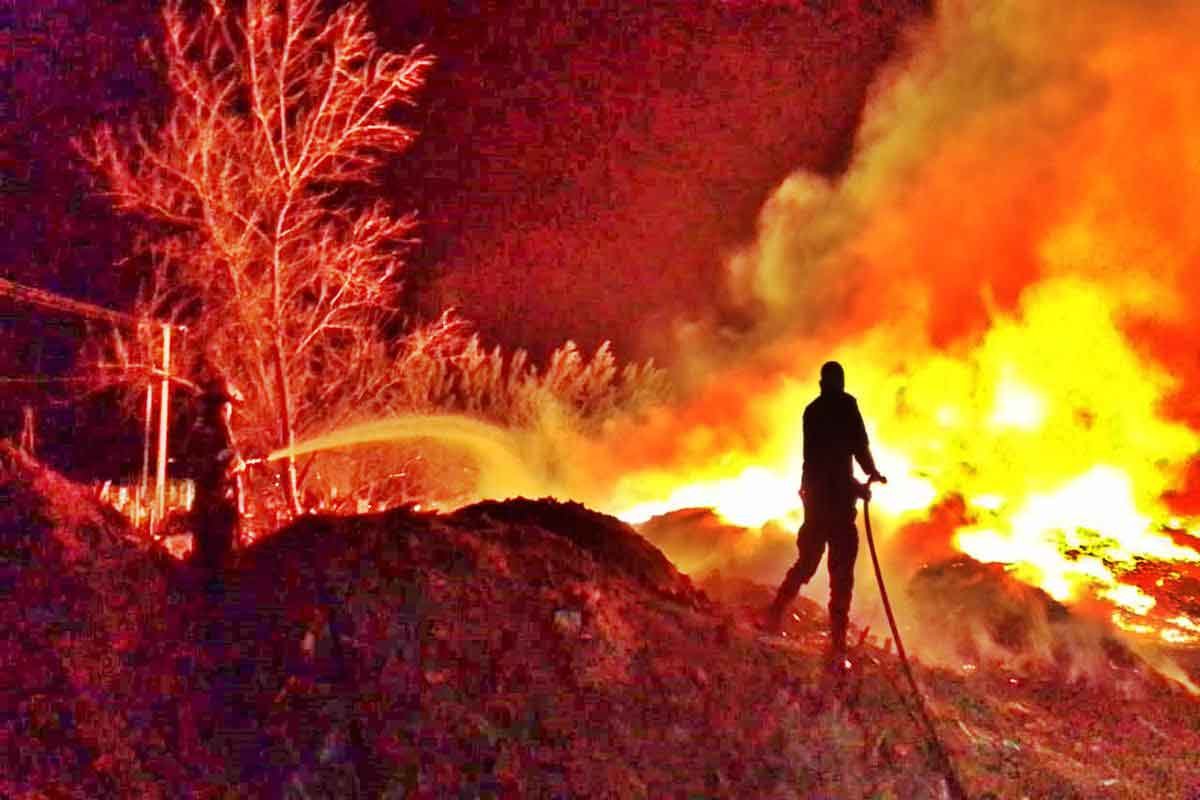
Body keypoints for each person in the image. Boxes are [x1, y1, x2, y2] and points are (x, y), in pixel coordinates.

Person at [765, 361, 885, 662]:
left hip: (816, 502)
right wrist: (868, 476)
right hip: (836, 505)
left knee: (807, 564)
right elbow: (855, 448)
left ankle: (775, 614)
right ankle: (837, 642)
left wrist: (858, 481)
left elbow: (820, 462)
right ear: (840, 383)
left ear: (822, 383)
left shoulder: (812, 411)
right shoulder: (846, 406)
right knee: (841, 577)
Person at [186, 376, 246, 573]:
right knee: (219, 565)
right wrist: (234, 464)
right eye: (228, 406)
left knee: (207, 563)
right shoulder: (219, 430)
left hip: (205, 509)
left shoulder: (200, 429)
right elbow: (223, 461)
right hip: (217, 509)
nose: (230, 411)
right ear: (221, 406)